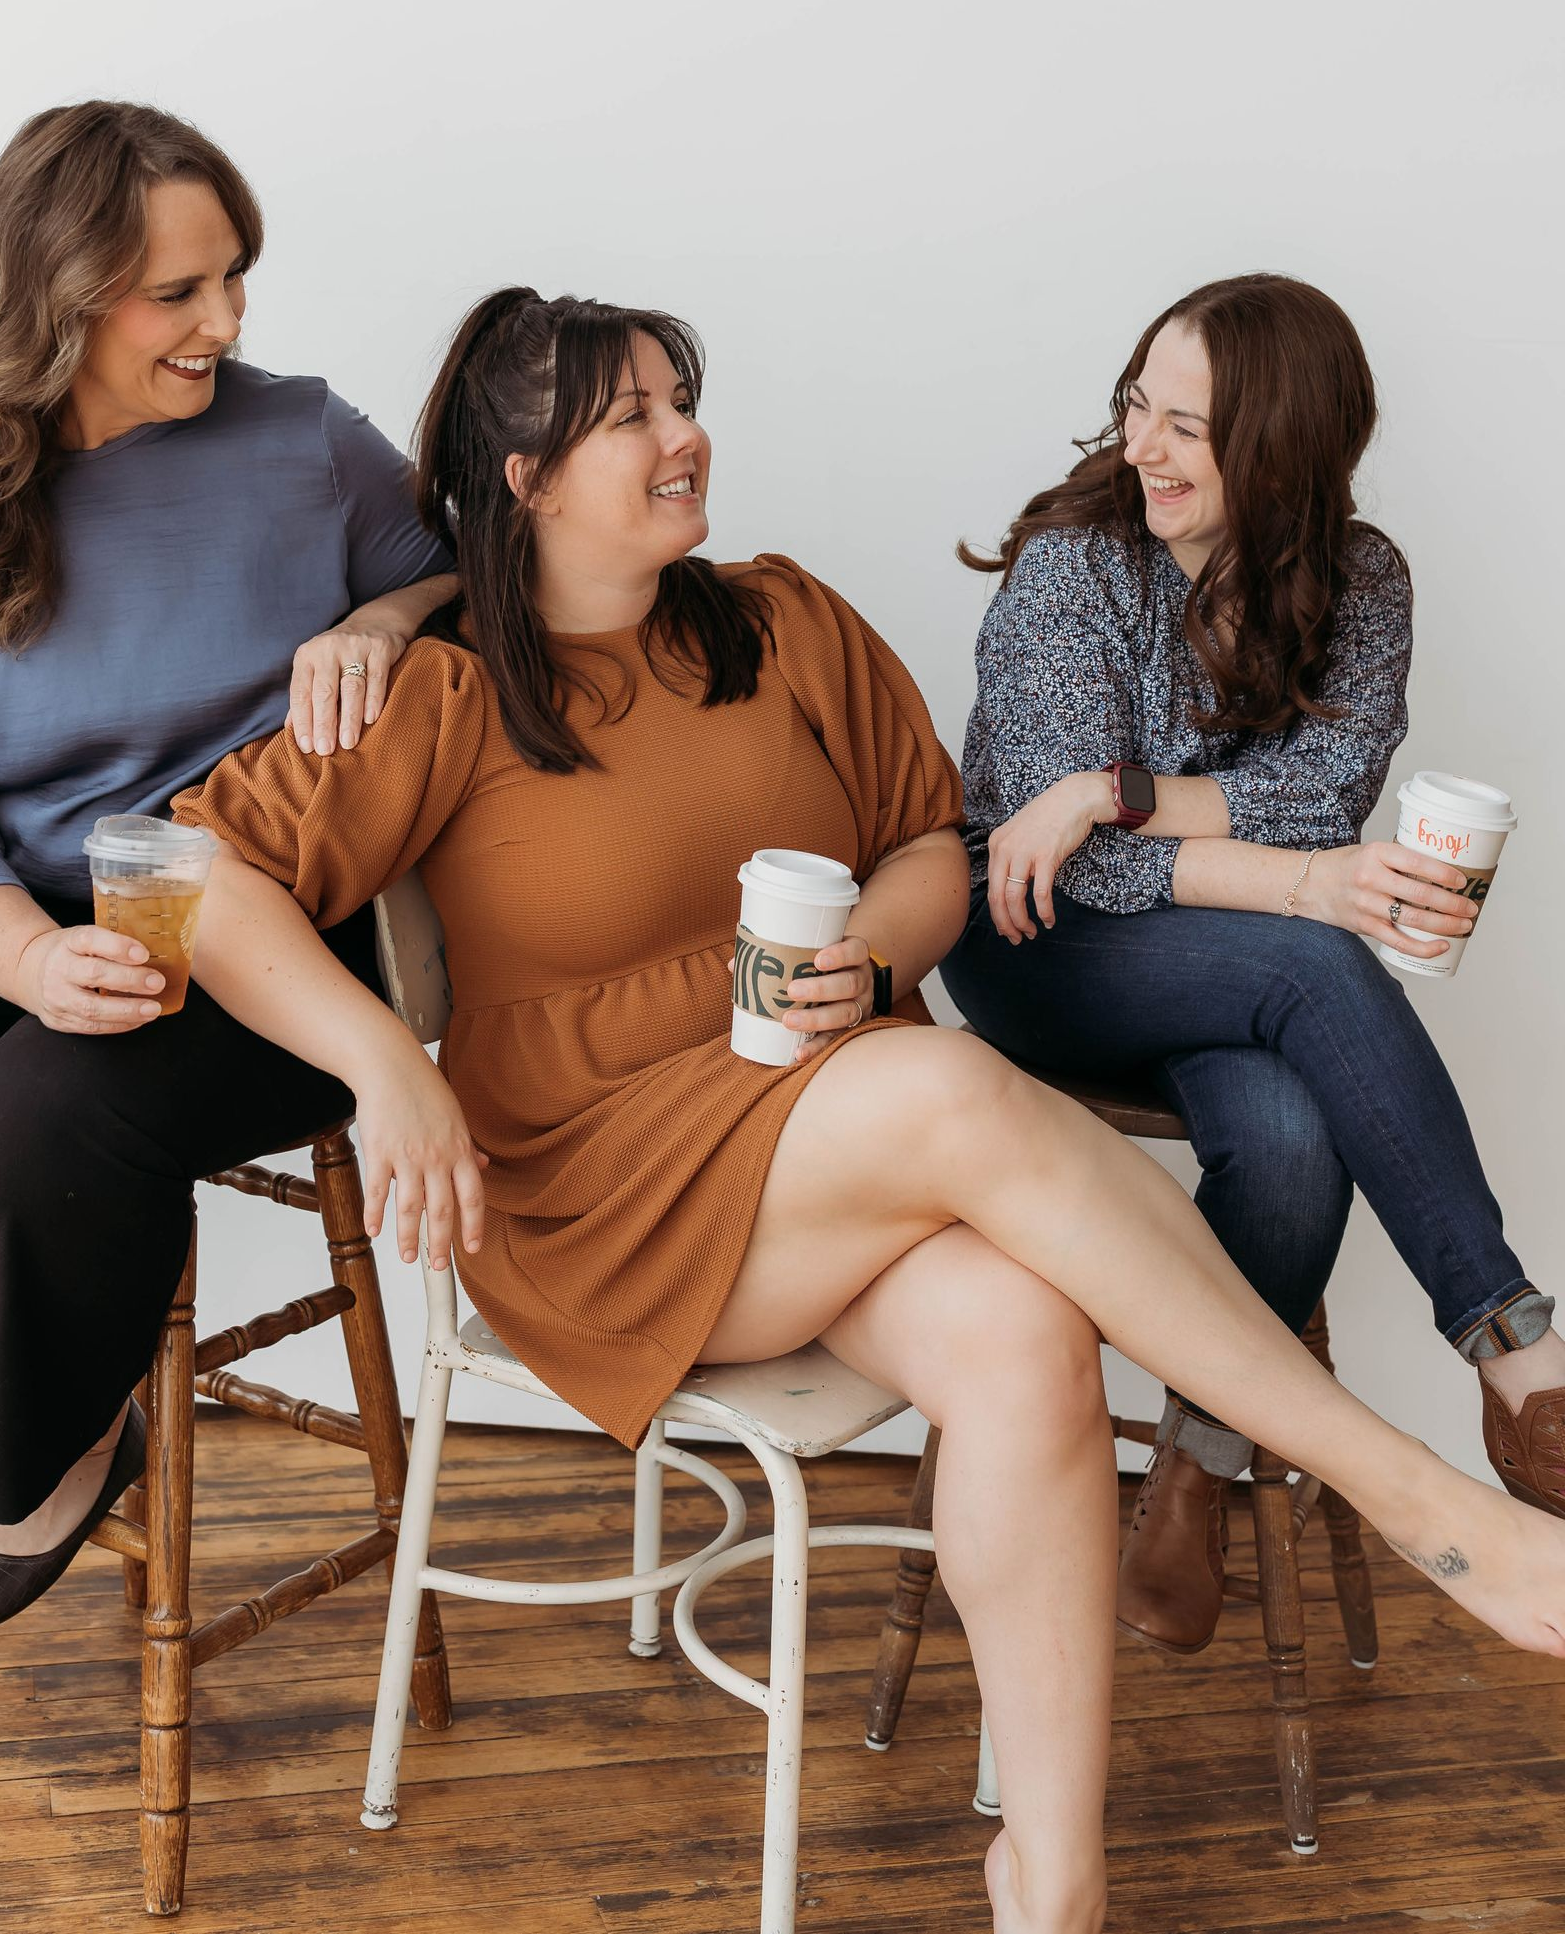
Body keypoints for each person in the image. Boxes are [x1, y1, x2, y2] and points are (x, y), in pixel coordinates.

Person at [167, 287, 1565, 1934]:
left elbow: (929, 851)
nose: (687, 434)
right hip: (593, 1181)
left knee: (1025, 1330)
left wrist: (879, 951)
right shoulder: (442, 693)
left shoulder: (780, 621)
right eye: (636, 417)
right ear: (527, 473)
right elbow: (191, 873)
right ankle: (1417, 1496)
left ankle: (1055, 1879)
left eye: (684, 396)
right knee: (946, 1083)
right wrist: (385, 1062)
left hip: (823, 1129)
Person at [0, 101, 456, 1644]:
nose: (227, 322)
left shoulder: (306, 443)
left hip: (276, 904)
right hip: (37, 891)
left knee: (35, 1115)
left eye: (234, 278)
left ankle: (64, 1433)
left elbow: (452, 573)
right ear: (59, 297)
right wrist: (24, 961)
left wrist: (377, 626)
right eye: (178, 293)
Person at [943, 273, 1561, 1657]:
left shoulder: (1365, 582)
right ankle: (1516, 1342)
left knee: (1288, 1138)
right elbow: (1065, 869)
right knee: (1317, 967)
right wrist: (1293, 886)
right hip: (1042, 950)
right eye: (1135, 408)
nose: (1142, 449)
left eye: (1188, 428)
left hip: (1219, 964)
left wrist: (1117, 788)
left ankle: (1190, 1472)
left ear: (1283, 454)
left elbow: (1325, 791)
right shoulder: (1075, 567)